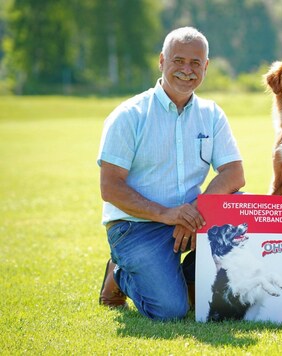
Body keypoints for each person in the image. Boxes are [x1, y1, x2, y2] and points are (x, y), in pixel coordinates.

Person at [97, 27, 245, 321]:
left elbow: (234, 173)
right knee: (171, 310)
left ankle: (177, 274)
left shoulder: (212, 114)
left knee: (240, 206)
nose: (187, 70)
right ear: (162, 61)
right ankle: (120, 273)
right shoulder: (129, 115)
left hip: (191, 220)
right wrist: (166, 214)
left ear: (206, 66)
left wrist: (191, 212)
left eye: (195, 63)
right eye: (178, 61)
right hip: (136, 226)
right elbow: (111, 187)